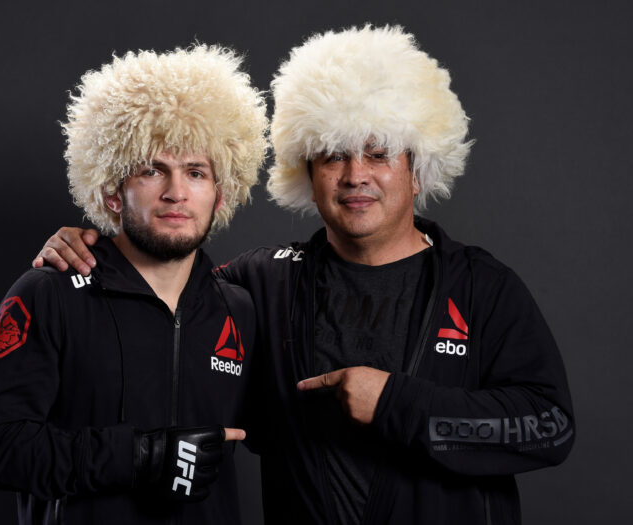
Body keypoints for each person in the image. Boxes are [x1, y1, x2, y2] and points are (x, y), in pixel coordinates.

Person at [34, 26, 575, 524]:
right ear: (307, 173)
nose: (355, 175)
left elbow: (551, 426)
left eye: (379, 152)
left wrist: (395, 403)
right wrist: (94, 244)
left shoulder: (482, 286)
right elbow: (160, 296)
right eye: (333, 155)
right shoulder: (260, 283)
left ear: (418, 169)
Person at [0, 45, 268, 525]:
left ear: (220, 193)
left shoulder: (239, 310)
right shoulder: (50, 293)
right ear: (112, 191)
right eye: (152, 170)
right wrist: (140, 456)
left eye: (196, 172)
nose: (176, 192)